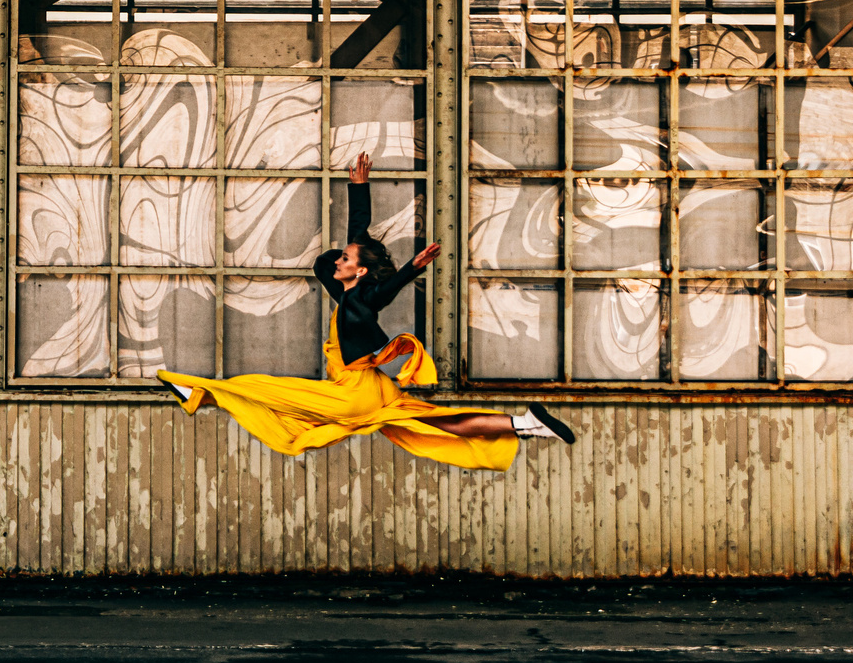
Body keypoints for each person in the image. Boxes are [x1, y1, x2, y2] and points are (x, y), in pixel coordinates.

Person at [157, 152, 573, 470]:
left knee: (266, 389)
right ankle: (524, 424)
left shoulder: (361, 299)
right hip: (375, 389)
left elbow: (383, 291)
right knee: (438, 423)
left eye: (346, 258)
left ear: (360, 270)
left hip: (354, 395)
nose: (337, 259)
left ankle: (198, 391)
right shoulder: (349, 294)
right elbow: (357, 235)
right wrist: (360, 187)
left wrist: (411, 269)